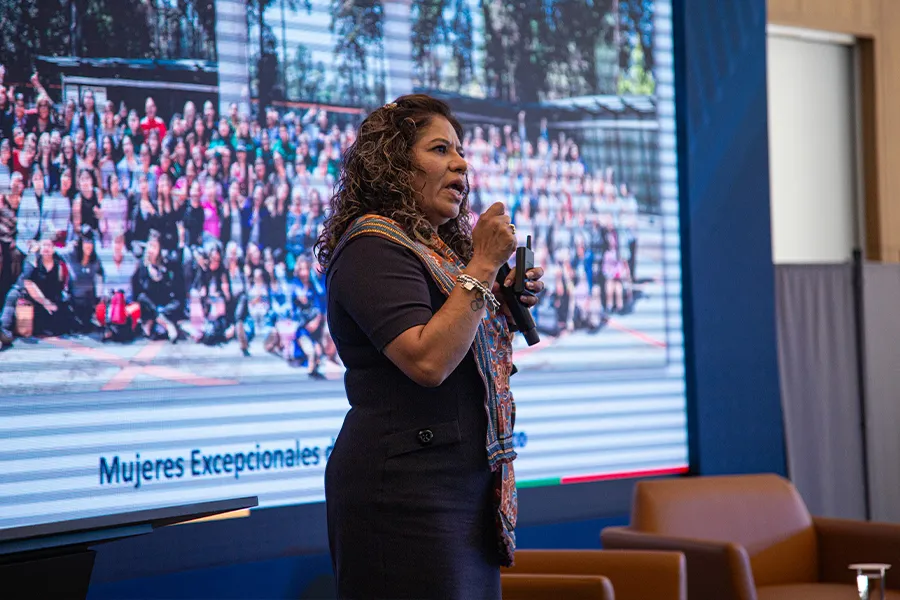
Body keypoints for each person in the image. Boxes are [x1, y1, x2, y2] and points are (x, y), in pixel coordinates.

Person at [316, 94, 544, 599]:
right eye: (440, 149)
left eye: (460, 151)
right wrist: (482, 268)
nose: (461, 163)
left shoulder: (435, 252)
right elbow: (427, 360)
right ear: (394, 165)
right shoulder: (371, 245)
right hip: (403, 495)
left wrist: (499, 297)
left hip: (458, 488)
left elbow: (459, 336)